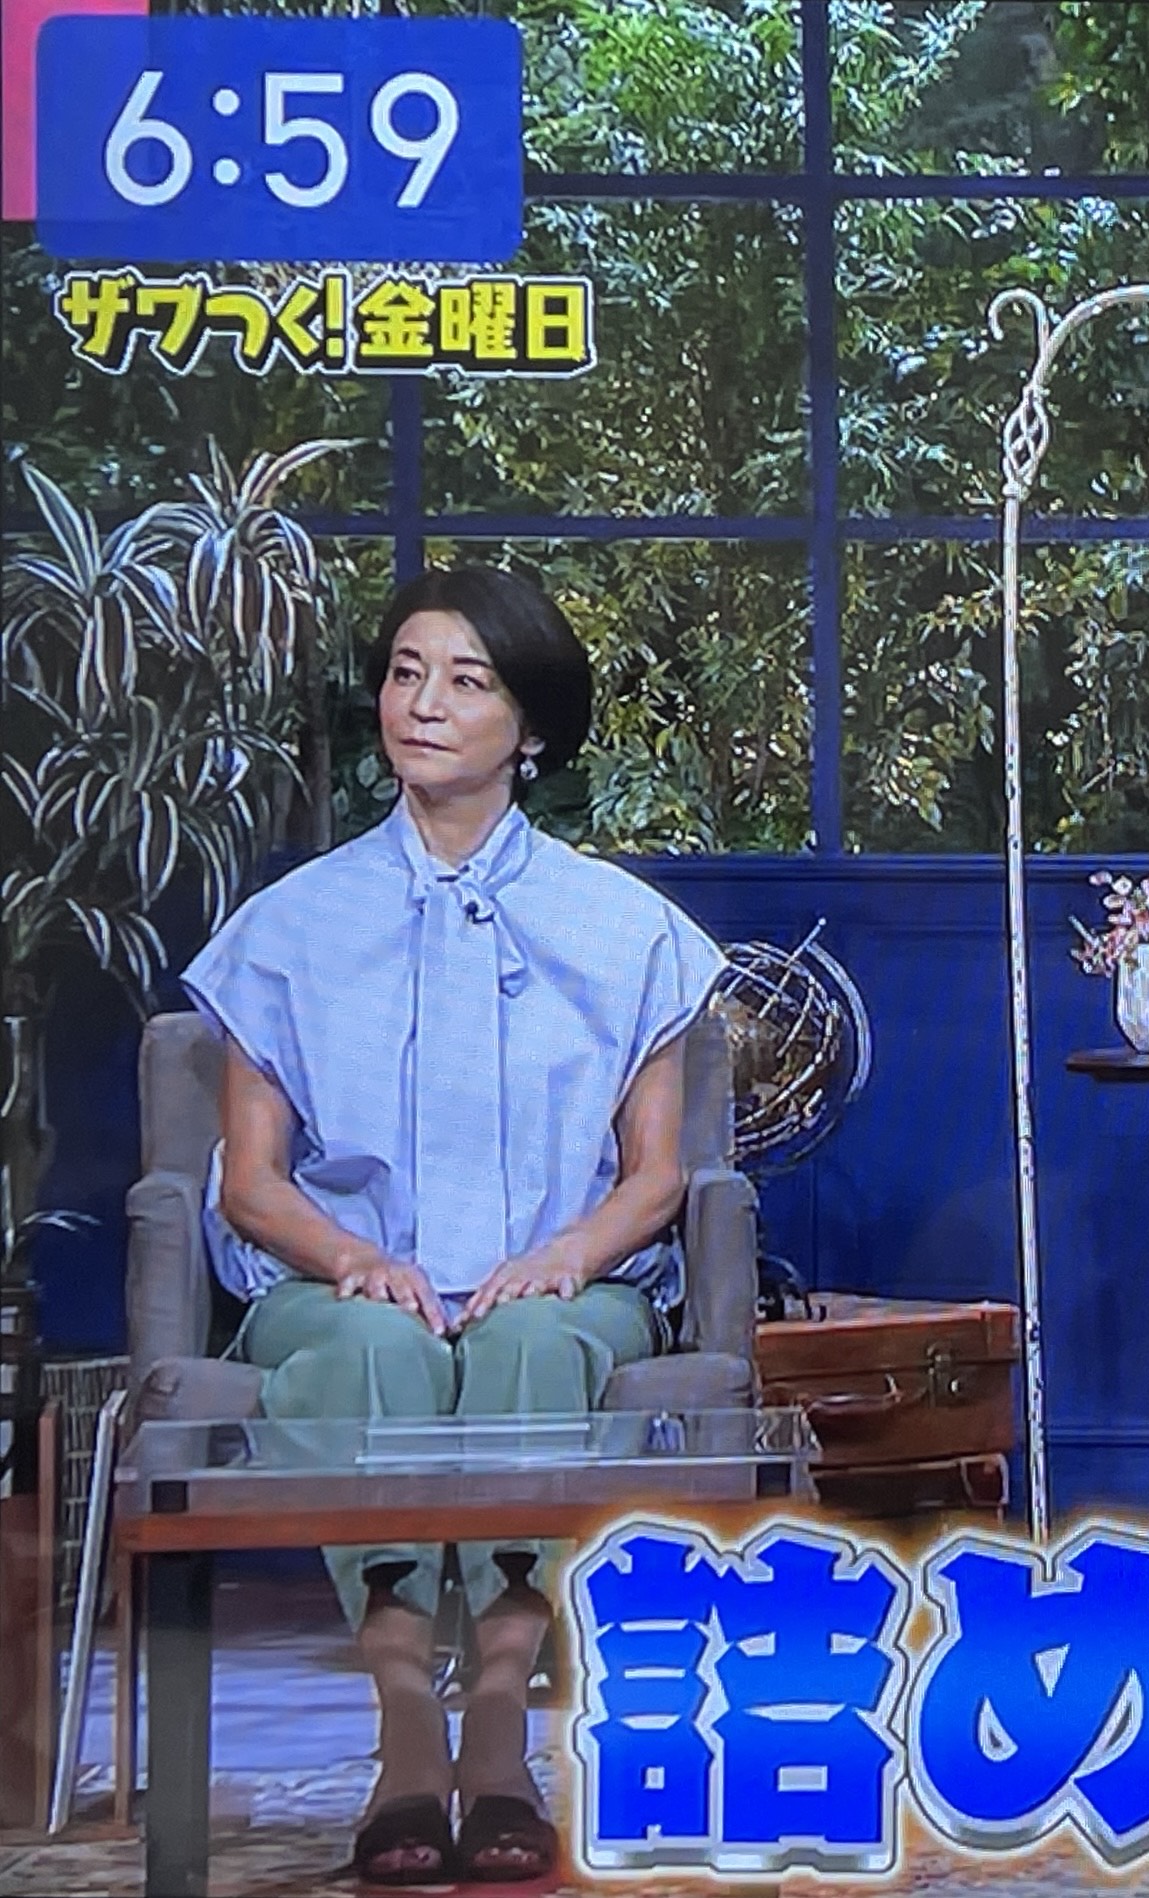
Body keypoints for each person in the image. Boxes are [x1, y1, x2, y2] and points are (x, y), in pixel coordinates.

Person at [188, 566, 723, 1887]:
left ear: (530, 728)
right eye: (405, 672)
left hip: (565, 1280)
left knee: (534, 1343)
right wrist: (354, 1258)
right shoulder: (288, 925)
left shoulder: (627, 928)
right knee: (374, 1349)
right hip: (341, 1286)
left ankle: (496, 1721)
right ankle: (405, 1729)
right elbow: (250, 1181)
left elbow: (657, 1177)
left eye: (466, 680)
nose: (422, 704)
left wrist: (565, 1256)